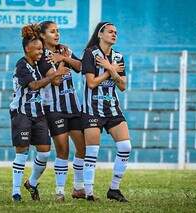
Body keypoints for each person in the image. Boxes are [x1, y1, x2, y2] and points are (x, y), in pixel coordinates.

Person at [10, 23, 69, 202]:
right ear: (27, 49)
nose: (40, 52)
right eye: (37, 49)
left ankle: (32, 183)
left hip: (38, 113)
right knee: (22, 152)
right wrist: (54, 75)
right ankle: (16, 192)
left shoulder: (38, 64)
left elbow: (52, 78)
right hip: (22, 113)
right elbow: (34, 85)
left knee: (44, 153)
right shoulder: (21, 65)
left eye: (41, 49)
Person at [81, 22, 132, 202]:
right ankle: (88, 193)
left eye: (116, 32)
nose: (114, 34)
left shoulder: (118, 56)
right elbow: (92, 83)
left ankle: (114, 189)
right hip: (92, 109)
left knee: (126, 147)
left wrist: (110, 68)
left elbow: (123, 86)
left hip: (112, 109)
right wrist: (110, 71)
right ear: (100, 34)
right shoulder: (90, 54)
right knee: (93, 150)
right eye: (110, 32)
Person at [37, 21, 86, 201]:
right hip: (54, 109)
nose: (57, 34)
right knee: (63, 150)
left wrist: (64, 58)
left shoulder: (64, 50)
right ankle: (59, 191)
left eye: (58, 31)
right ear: (43, 36)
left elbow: (80, 67)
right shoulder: (41, 56)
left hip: (73, 107)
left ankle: (79, 189)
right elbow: (56, 81)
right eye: (52, 32)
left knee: (83, 147)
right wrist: (59, 67)